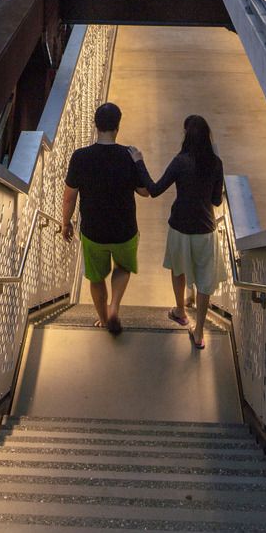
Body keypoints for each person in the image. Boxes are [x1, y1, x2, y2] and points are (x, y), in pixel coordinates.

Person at [61, 102, 151, 334]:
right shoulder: (128, 155)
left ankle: (102, 318)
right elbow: (145, 191)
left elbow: (69, 197)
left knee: (96, 278)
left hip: (93, 231)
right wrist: (139, 162)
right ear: (117, 127)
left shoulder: (80, 157)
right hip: (124, 230)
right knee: (122, 267)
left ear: (95, 125)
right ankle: (114, 308)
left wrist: (65, 223)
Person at [139, 115, 225, 350]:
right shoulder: (215, 163)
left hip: (179, 226)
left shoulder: (180, 161)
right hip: (205, 229)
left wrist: (139, 163)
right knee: (205, 280)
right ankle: (198, 332)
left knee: (179, 269)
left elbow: (155, 190)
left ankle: (180, 311)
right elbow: (216, 200)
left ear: (186, 135)